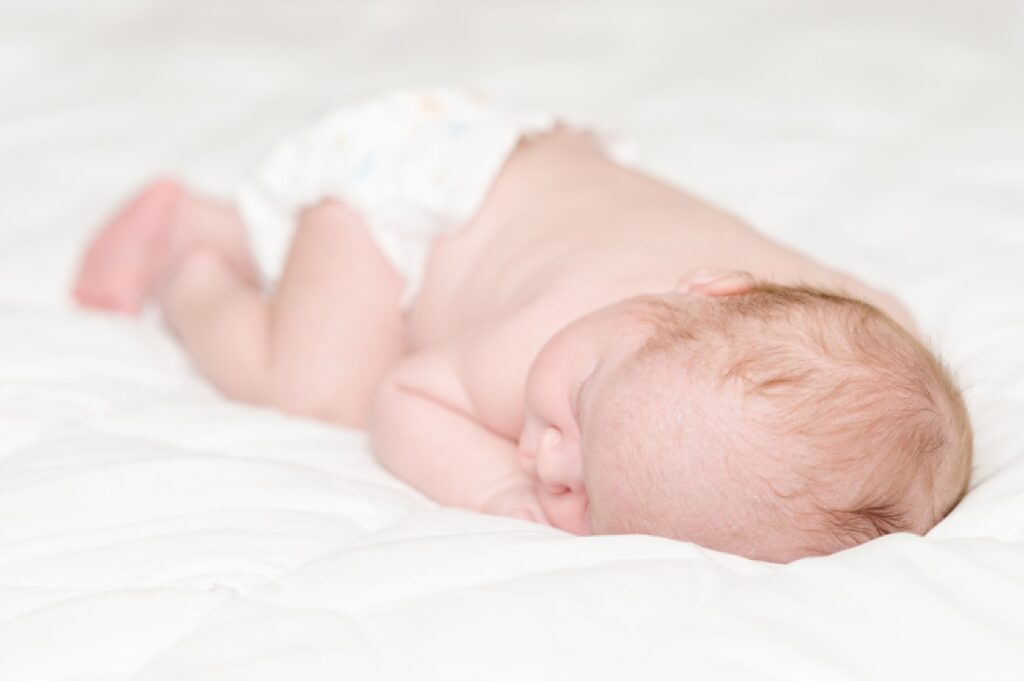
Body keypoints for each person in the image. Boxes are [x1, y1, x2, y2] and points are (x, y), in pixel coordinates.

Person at [72, 90, 972, 563]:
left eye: (595, 495)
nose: (549, 459)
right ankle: (191, 262)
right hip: (404, 190)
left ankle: (249, 236)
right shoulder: (551, 326)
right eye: (579, 407)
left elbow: (875, 368)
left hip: (532, 159)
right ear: (712, 290)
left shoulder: (833, 314)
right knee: (325, 384)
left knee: (341, 315)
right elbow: (404, 394)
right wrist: (499, 499)